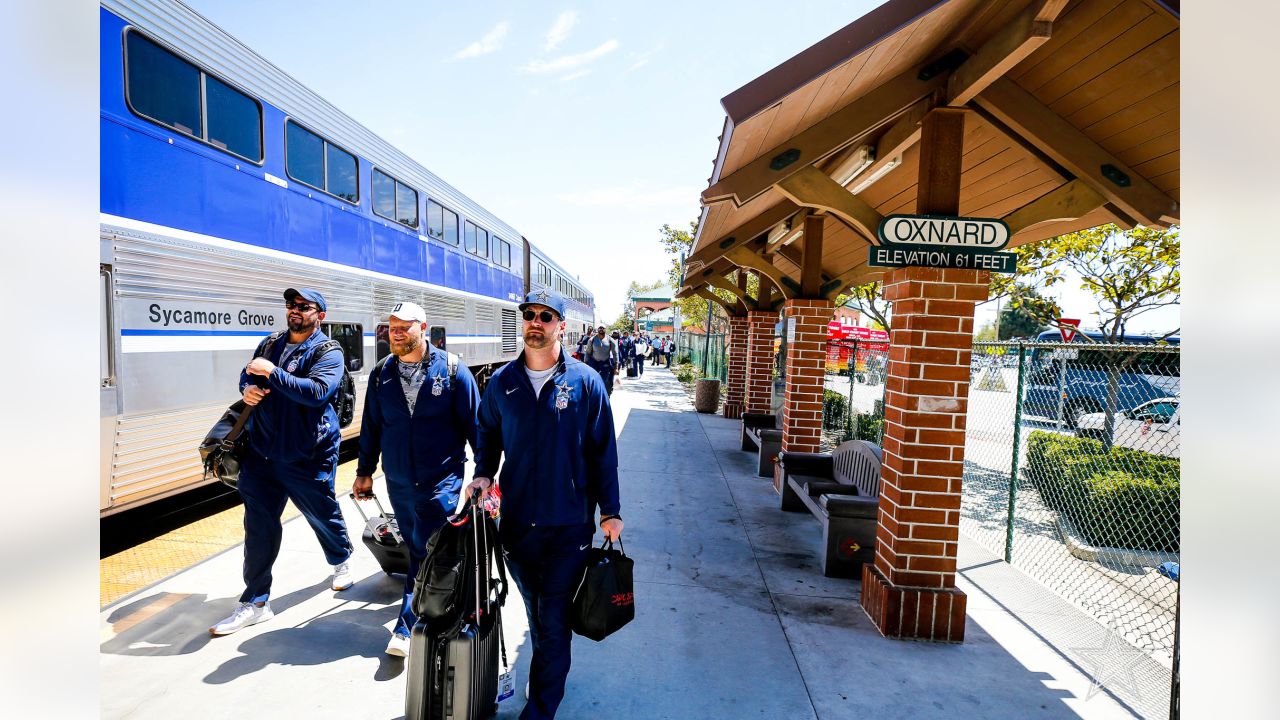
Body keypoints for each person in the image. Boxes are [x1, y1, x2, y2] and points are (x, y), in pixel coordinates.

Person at [465, 289, 622, 720]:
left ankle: (540, 709)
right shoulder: (501, 382)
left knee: (551, 620)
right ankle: (547, 679)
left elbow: (602, 450)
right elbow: (488, 435)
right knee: (538, 615)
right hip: (516, 527)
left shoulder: (585, 383)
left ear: (561, 326)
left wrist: (610, 510)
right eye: (529, 315)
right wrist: (482, 472)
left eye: (545, 316)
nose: (536, 322)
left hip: (568, 526)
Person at [210, 288, 354, 636]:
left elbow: (317, 392)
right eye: (291, 305)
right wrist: (247, 388)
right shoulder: (270, 343)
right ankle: (256, 602)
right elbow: (250, 375)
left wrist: (272, 373)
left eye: (304, 307)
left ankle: (341, 559)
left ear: (320, 314)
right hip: (262, 452)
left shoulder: (328, 351)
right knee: (259, 526)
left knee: (321, 512)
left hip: (307, 454)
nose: (295, 311)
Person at [352, 301, 481, 656]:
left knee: (426, 545)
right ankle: (434, 595)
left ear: (422, 329)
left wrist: (485, 473)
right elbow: (372, 428)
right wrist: (364, 472)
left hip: (441, 478)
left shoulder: (453, 371)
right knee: (415, 545)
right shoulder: (381, 374)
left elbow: (476, 426)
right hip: (398, 479)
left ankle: (407, 627)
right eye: (391, 326)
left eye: (404, 326)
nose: (395, 331)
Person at [584, 325, 619, 396]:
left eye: (603, 328)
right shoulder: (592, 339)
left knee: (604, 381)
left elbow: (615, 354)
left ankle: (603, 395)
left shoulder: (610, 340)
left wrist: (616, 367)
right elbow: (588, 352)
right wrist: (585, 364)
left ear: (605, 330)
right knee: (593, 380)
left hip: (605, 363)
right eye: (600, 328)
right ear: (597, 329)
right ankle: (594, 395)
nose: (601, 329)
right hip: (594, 362)